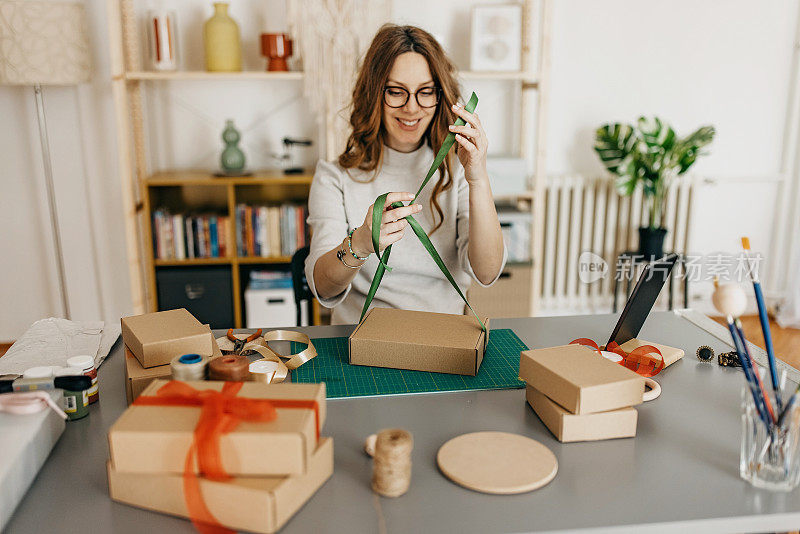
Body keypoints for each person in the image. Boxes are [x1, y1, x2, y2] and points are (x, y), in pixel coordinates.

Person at [305, 24, 506, 324]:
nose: (412, 108)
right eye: (396, 92)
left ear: (441, 96)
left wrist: (477, 177)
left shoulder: (460, 167)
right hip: (361, 339)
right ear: (374, 93)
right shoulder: (334, 177)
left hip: (443, 337)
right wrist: (360, 243)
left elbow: (487, 273)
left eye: (425, 92)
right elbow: (321, 285)